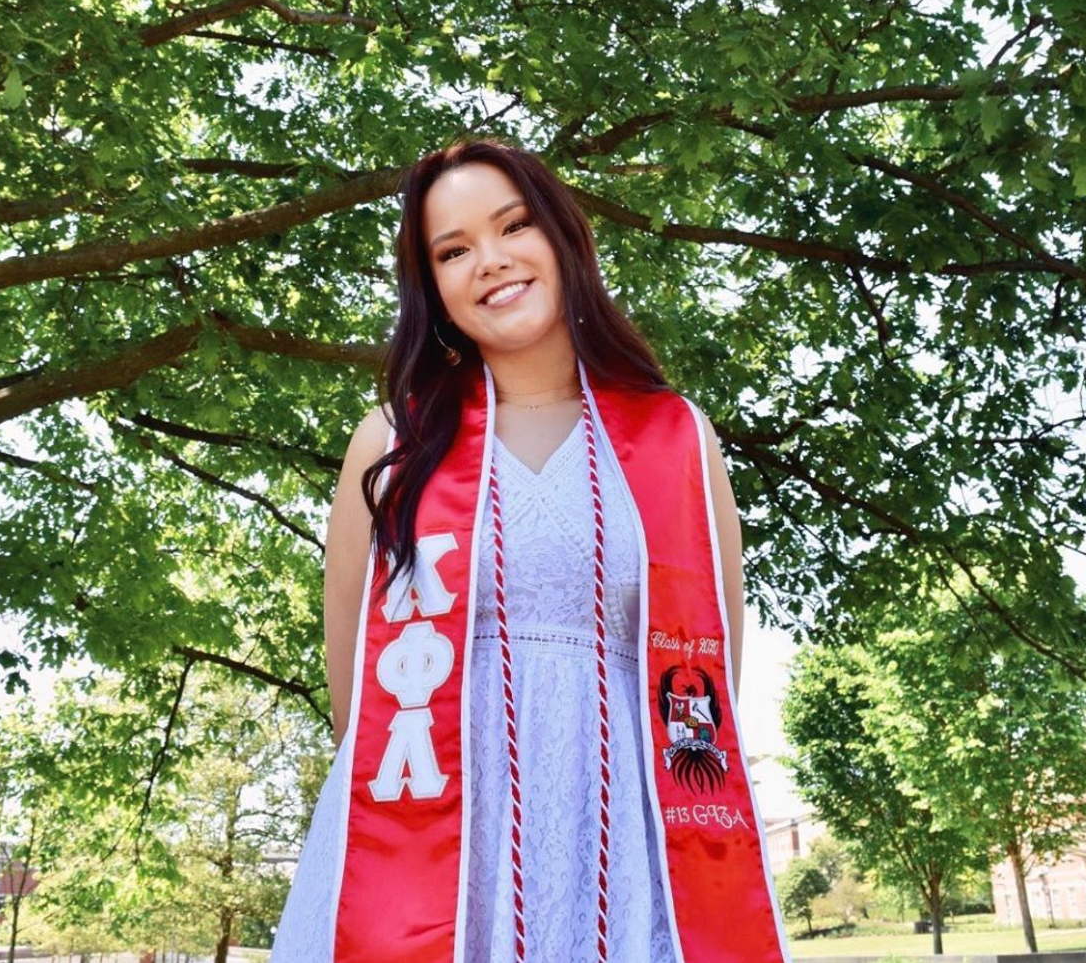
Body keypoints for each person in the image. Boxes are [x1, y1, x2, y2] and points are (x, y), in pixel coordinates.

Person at [269, 139, 789, 963]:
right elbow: (354, 695)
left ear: (561, 237)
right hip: (438, 841)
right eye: (454, 249)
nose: (491, 261)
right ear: (432, 286)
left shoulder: (675, 439)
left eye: (513, 226)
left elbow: (709, 674)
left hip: (626, 830)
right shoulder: (393, 446)